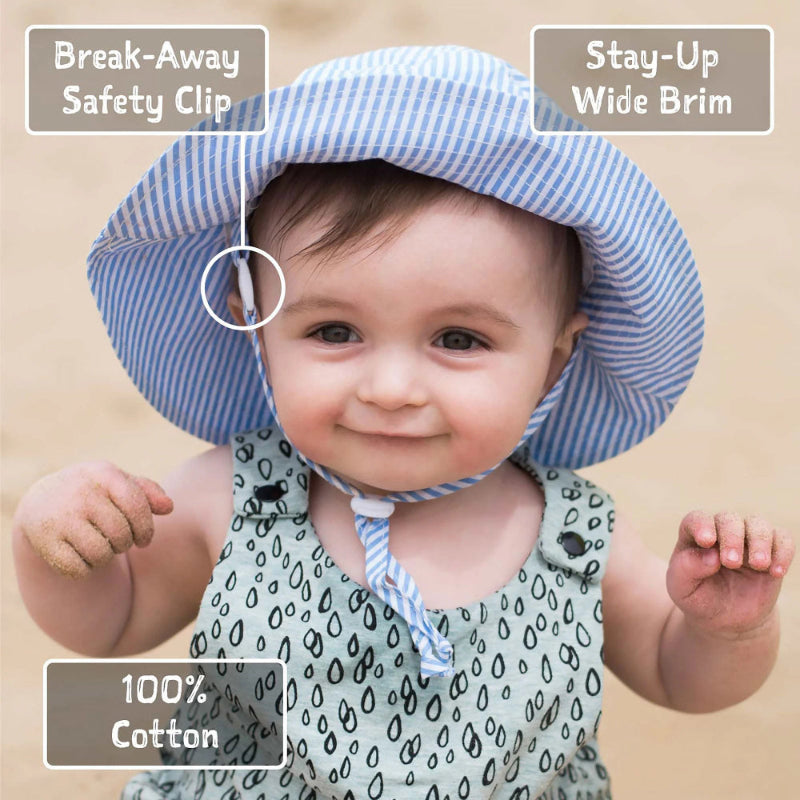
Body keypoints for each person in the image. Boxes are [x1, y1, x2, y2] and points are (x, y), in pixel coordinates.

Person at [12, 46, 794, 800]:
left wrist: (722, 633)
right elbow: (111, 625)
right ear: (254, 325)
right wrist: (55, 544)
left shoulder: (571, 532)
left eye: (459, 340)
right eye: (334, 332)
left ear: (555, 361)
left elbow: (673, 673)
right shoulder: (235, 496)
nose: (389, 389)